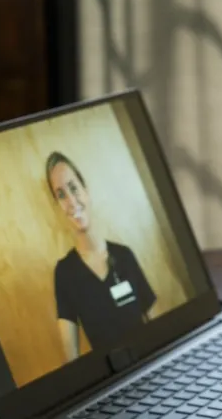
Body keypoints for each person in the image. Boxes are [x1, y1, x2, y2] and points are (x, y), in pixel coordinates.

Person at [47, 152, 157, 361]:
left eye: (73, 188)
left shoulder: (124, 256)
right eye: (61, 195)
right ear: (57, 206)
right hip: (110, 380)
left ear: (86, 191)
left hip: (149, 364)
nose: (71, 201)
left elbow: (156, 323)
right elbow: (72, 362)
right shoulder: (65, 272)